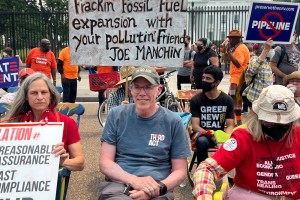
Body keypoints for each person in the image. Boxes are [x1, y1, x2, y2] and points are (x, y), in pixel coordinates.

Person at [193, 84, 300, 199]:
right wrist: (204, 196)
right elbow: (207, 169)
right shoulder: (243, 137)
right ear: (257, 117)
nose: (276, 127)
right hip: (252, 194)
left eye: (284, 123)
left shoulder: (297, 134)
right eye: (269, 122)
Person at [99, 66, 191, 200]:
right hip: (120, 184)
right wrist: (133, 180)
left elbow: (180, 170)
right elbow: (105, 163)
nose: (142, 93)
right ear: (131, 90)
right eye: (137, 87)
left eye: (148, 87)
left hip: (158, 186)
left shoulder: (173, 121)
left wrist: (156, 190)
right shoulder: (116, 115)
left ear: (158, 90)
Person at [5, 72, 85, 171]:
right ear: (26, 96)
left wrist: (62, 161)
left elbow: (80, 163)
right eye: (34, 93)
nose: (39, 97)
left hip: (50, 183)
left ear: (50, 95)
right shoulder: (13, 124)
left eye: (44, 92)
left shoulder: (67, 123)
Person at [190, 65, 234, 165]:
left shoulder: (227, 100)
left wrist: (226, 138)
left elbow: (230, 124)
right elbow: (195, 126)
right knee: (202, 142)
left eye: (208, 78)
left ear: (217, 82)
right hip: (201, 134)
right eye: (203, 78)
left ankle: (224, 170)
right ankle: (202, 170)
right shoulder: (196, 100)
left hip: (220, 134)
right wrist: (211, 135)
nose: (204, 81)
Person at [223, 30, 250, 125]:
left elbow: (238, 64)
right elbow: (226, 60)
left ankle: (238, 122)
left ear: (237, 39)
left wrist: (229, 53)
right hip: (235, 79)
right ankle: (236, 121)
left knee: (235, 101)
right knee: (232, 100)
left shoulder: (240, 49)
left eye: (231, 38)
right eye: (229, 38)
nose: (229, 40)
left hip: (238, 79)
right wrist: (227, 51)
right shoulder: (236, 48)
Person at [240, 38, 274, 109]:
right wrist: (266, 50)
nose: (272, 50)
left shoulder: (267, 61)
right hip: (255, 98)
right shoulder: (254, 59)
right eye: (270, 48)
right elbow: (254, 69)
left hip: (266, 98)